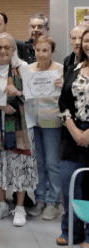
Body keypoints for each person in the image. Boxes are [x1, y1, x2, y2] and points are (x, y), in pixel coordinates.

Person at [0, 32, 37, 227]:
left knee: (19, 162)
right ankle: (1, 203)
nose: (3, 51)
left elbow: (33, 94)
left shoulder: (23, 68)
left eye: (7, 47)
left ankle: (20, 206)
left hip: (18, 124)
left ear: (13, 49)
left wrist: (18, 92)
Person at [56, 27, 89, 247]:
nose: (87, 44)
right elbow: (63, 101)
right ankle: (71, 231)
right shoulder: (74, 68)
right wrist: (75, 130)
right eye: (86, 41)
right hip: (72, 134)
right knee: (72, 186)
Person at [26, 36, 63, 220]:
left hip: (52, 123)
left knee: (52, 163)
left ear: (52, 52)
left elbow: (67, 97)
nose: (41, 54)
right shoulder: (28, 70)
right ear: (34, 50)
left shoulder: (60, 71)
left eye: (45, 50)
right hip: (33, 122)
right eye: (38, 50)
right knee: (37, 163)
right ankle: (40, 198)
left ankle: (53, 202)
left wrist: (63, 87)